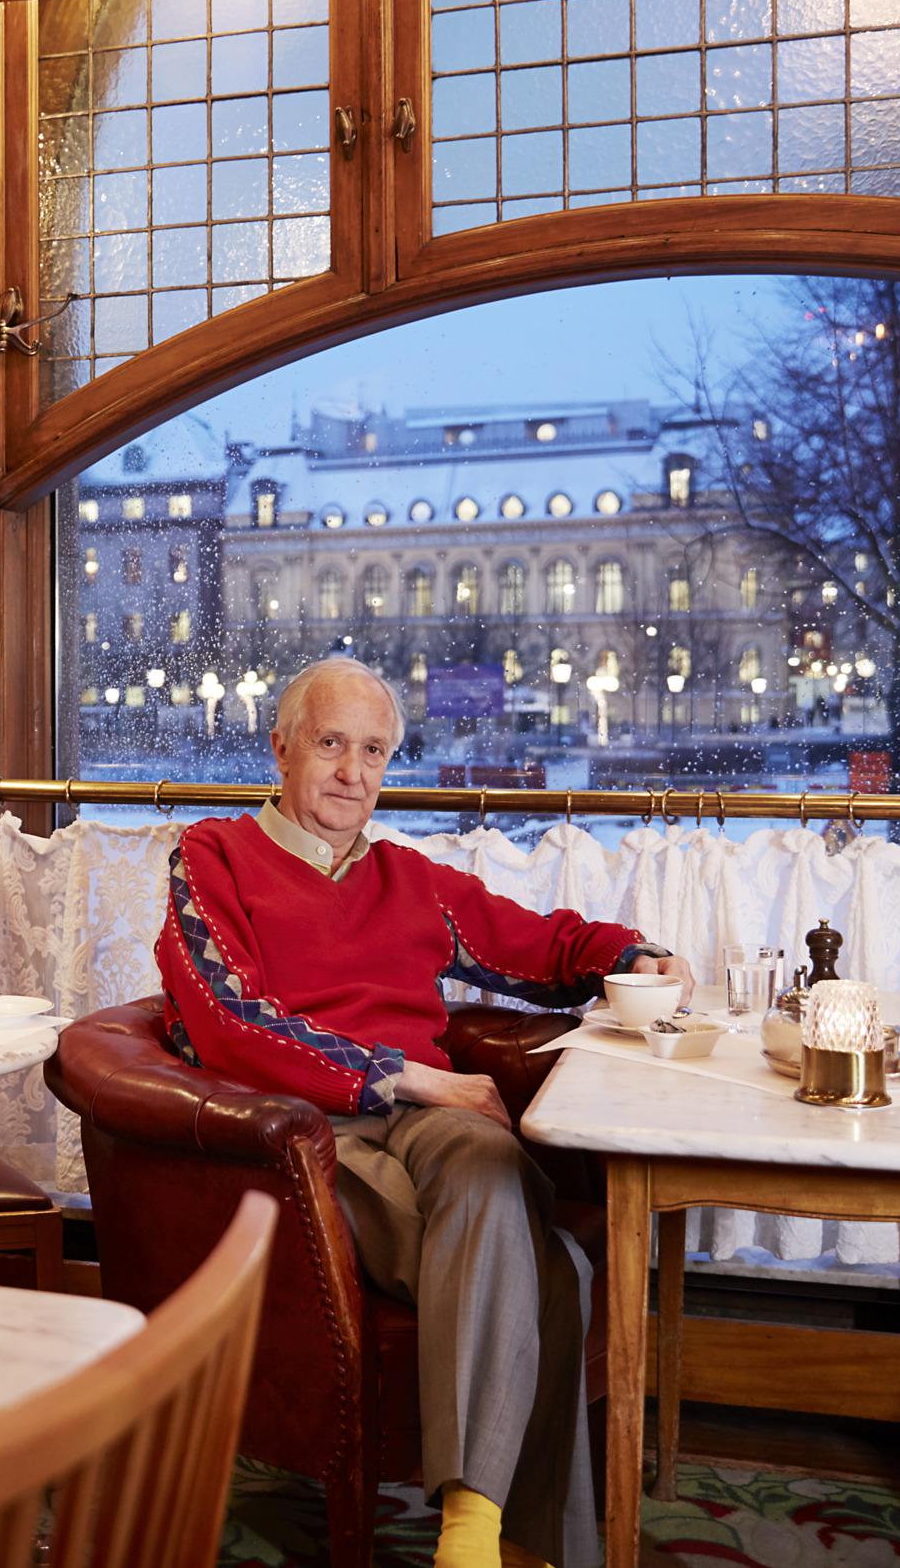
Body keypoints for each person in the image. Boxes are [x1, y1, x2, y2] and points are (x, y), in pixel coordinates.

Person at [153, 656, 692, 1568]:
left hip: (426, 1122)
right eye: (330, 744)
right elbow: (229, 1024)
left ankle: (473, 1537)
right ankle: (502, 1542)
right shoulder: (213, 856)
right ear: (280, 747)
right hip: (301, 1136)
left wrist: (636, 953)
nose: (353, 774)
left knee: (486, 1166)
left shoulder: (413, 880)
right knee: (551, 1259)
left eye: (374, 751)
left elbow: (540, 944)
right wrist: (409, 1075)